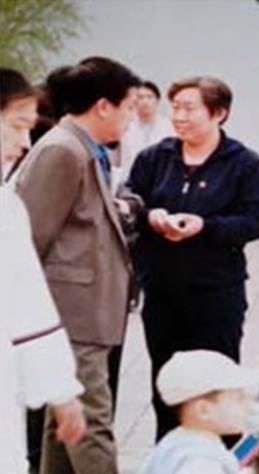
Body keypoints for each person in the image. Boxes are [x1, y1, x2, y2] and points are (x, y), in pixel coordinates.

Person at [127, 76, 259, 440]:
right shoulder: (155, 158)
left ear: (219, 113)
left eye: (189, 109)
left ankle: (220, 456)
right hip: (162, 291)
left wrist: (205, 226)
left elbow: (257, 219)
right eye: (175, 108)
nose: (179, 117)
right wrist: (152, 216)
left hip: (216, 292)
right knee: (167, 382)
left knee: (216, 382)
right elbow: (130, 202)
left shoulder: (243, 163)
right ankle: (169, 453)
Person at [16, 57, 140, 474]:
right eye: (128, 107)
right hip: (71, 315)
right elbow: (27, 239)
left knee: (67, 425)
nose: (131, 118)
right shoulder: (62, 150)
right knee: (91, 425)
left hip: (86, 315)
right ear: (103, 106)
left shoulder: (85, 149)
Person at [0, 68, 86, 474]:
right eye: (17, 126)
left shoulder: (6, 208)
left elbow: (26, 300)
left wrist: (61, 389)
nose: (24, 143)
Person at [142, 350, 259, 474]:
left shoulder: (175, 442)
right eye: (239, 398)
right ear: (204, 410)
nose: (247, 404)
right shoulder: (202, 460)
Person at [118, 80, 174, 181]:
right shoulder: (125, 125)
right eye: (140, 97)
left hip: (160, 179)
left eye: (149, 97)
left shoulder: (169, 126)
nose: (145, 101)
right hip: (130, 178)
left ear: (157, 100)